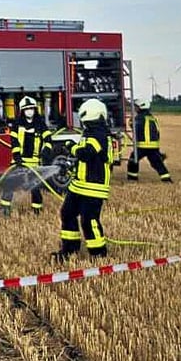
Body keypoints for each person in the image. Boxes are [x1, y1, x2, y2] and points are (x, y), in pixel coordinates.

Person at [54, 98, 111, 261]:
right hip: (79, 185)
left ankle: (99, 254)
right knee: (67, 213)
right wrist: (70, 164)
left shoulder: (100, 136)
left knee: (89, 220)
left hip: (94, 187)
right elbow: (82, 159)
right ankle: (70, 249)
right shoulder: (90, 134)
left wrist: (70, 146)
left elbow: (86, 153)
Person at [0, 96, 53, 215]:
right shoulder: (17, 125)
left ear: (35, 109)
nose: (30, 111)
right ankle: (4, 210)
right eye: (27, 109)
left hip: (34, 163)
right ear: (22, 111)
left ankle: (37, 211)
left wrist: (46, 150)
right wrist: (17, 157)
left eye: (32, 109)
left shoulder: (40, 124)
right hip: (19, 162)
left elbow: (48, 139)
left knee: (35, 189)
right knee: (9, 185)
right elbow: (14, 143)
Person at [127, 99, 172, 183]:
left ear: (140, 107)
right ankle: (166, 179)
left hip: (142, 146)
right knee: (157, 163)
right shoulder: (152, 118)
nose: (135, 109)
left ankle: (132, 179)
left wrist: (130, 121)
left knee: (133, 160)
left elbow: (132, 125)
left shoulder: (139, 118)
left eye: (136, 107)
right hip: (154, 146)